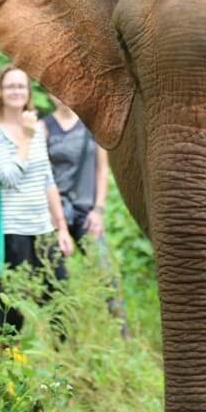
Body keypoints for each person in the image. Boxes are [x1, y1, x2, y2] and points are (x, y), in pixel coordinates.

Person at [0, 64, 73, 334]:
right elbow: (9, 177)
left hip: (43, 229)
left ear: (28, 91)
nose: (16, 91)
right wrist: (26, 140)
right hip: (11, 231)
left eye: (21, 86)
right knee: (12, 306)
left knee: (60, 298)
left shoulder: (37, 130)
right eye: (10, 86)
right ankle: (8, 364)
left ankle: (60, 365)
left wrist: (61, 228)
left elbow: (48, 180)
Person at [44, 94, 128, 334]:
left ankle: (122, 332)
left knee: (105, 270)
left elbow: (102, 170)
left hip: (86, 211)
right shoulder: (44, 127)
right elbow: (41, 173)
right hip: (55, 211)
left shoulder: (92, 126)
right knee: (55, 277)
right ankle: (61, 337)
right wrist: (56, 221)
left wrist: (98, 210)